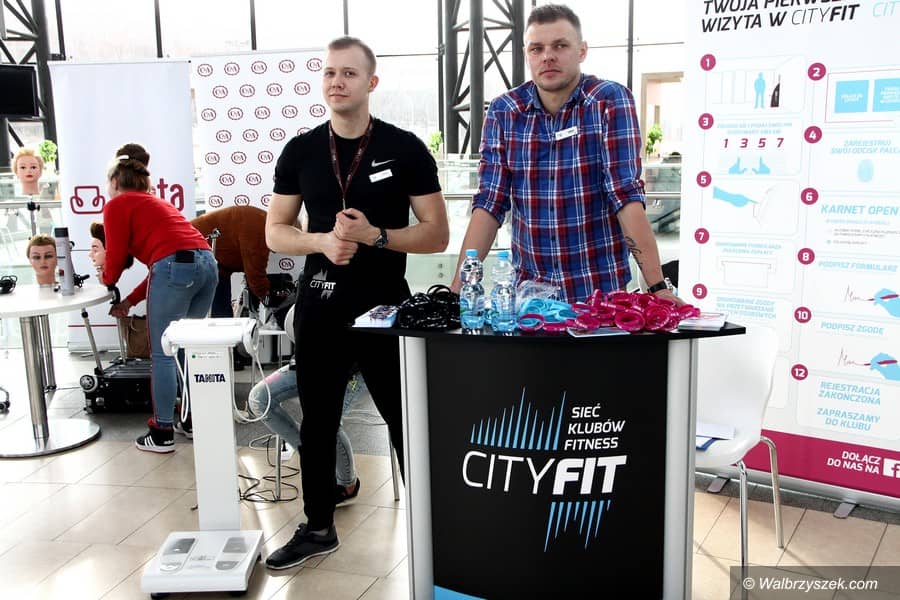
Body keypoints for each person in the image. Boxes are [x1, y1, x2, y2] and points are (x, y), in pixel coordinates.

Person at [264, 36, 449, 569]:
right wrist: (321, 242)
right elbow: (276, 231)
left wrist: (376, 236)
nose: (337, 82)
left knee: (406, 419)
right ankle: (318, 527)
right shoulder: (301, 151)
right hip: (321, 306)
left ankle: (435, 531)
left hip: (385, 307)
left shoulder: (404, 148)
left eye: (348, 73)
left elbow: (437, 233)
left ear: (371, 82)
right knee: (317, 421)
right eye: (329, 73)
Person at [451, 4, 682, 307]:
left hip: (601, 295)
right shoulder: (504, 110)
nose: (547, 56)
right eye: (537, 48)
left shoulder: (609, 101)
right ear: (526, 54)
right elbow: (490, 203)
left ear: (582, 50)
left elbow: (625, 194)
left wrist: (657, 287)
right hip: (531, 297)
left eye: (560, 45)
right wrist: (455, 292)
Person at [101, 154, 218, 453]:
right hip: (208, 264)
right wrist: (130, 300)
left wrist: (107, 279)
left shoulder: (117, 205)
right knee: (187, 349)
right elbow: (171, 264)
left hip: (177, 267)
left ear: (114, 182)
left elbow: (118, 257)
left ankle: (162, 431)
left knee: (163, 353)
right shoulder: (159, 203)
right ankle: (190, 420)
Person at [247, 305, 365, 505]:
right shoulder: (308, 289)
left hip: (349, 368)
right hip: (308, 360)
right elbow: (290, 315)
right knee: (259, 398)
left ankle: (347, 484)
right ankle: (312, 456)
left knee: (325, 422)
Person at [190, 205, 271, 318]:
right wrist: (269, 299)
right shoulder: (259, 230)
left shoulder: (262, 221)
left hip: (213, 260)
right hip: (194, 251)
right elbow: (255, 275)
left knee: (221, 313)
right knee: (218, 313)